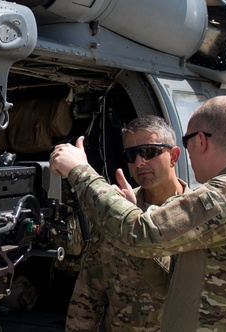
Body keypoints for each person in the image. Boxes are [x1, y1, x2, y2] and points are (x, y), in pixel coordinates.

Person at [50, 96, 226, 332]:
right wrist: (127, 212)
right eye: (131, 155)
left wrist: (80, 171)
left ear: (200, 141)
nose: (139, 162)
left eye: (187, 142)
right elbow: (169, 283)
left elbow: (141, 233)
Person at [67, 116, 189, 332]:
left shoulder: (195, 214)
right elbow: (89, 292)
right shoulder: (115, 210)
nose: (140, 162)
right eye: (131, 155)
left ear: (174, 156)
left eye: (149, 152)